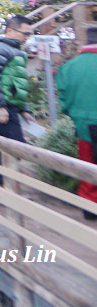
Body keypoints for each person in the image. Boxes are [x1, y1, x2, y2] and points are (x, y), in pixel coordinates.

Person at [0, 14, 33, 185]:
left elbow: (14, 82)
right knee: (17, 145)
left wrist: (23, 108)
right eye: (24, 33)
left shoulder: (13, 50)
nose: (27, 37)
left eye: (29, 34)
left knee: (1, 141)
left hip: (8, 103)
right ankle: (9, 183)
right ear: (9, 31)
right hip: (2, 103)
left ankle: (1, 181)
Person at [57, 26, 97, 219]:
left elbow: (63, 100)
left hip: (84, 126)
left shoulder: (69, 66)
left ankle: (90, 208)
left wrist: (75, 115)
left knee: (87, 165)